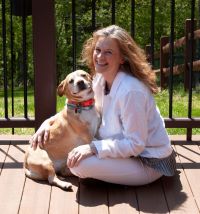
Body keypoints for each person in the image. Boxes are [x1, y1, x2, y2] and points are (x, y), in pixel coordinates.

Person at [31, 25, 176, 186]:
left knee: (78, 164)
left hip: (149, 161)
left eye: (108, 52)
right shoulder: (99, 80)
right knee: (77, 157)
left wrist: (92, 148)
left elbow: (136, 145)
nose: (100, 56)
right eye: (97, 50)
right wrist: (48, 122)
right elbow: (81, 107)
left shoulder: (131, 91)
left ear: (122, 58)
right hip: (125, 154)